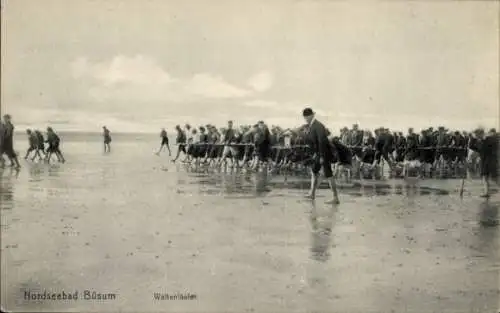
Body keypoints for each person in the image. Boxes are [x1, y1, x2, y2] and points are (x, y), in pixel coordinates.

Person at [302, 108, 339, 204]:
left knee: (329, 174)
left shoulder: (318, 125)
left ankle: (335, 197)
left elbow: (322, 141)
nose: (305, 119)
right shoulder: (312, 125)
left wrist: (322, 156)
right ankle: (312, 193)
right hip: (318, 154)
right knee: (314, 171)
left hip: (323, 153)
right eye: (304, 117)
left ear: (311, 116)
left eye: (306, 117)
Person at [478, 128, 499, 197]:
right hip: (487, 161)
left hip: (490, 161)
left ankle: (486, 192)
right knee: (485, 177)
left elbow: (485, 149)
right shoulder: (488, 139)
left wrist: (484, 139)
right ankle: (486, 193)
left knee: (494, 178)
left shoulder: (491, 139)